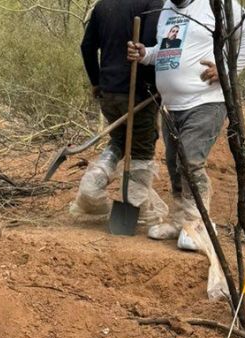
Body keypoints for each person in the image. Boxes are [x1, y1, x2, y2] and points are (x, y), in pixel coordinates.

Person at [127, 0, 245, 251]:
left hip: (206, 100)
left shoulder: (216, 4)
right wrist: (146, 54)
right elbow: (167, 50)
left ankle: (197, 222)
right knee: (174, 163)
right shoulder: (168, 8)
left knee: (190, 161)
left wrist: (226, 69)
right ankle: (181, 219)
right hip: (171, 104)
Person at [72, 0, 167, 225]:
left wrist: (96, 82)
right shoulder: (154, 3)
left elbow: (87, 47)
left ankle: (91, 188)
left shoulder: (104, 4)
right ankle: (138, 210)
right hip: (138, 91)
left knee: (118, 141)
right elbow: (151, 46)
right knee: (141, 151)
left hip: (109, 91)